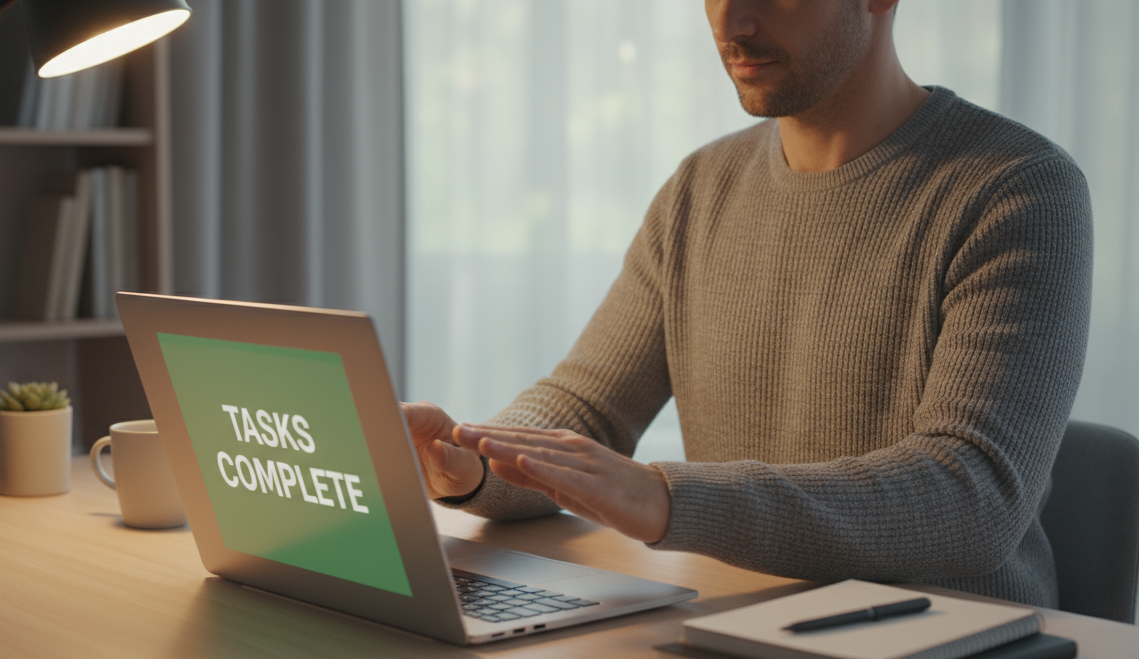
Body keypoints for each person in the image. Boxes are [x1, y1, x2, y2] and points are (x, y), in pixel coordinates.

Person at [401, 0, 1091, 607]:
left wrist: (667, 499)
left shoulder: (1018, 191)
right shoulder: (701, 188)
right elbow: (587, 410)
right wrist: (473, 461)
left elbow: (973, 499)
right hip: (744, 628)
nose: (732, 23)